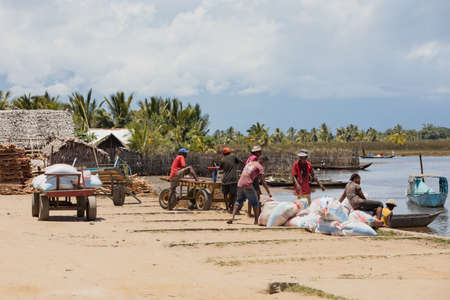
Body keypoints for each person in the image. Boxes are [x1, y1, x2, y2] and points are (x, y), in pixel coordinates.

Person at [227, 156, 272, 225]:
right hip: (248, 185)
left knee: (238, 201)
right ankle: (256, 221)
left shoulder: (250, 163)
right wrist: (268, 192)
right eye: (265, 162)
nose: (264, 164)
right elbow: (263, 181)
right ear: (263, 161)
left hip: (240, 184)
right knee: (255, 203)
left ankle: (232, 217)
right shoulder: (260, 167)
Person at [219, 147, 244, 212]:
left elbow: (220, 168)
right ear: (229, 152)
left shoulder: (222, 159)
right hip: (233, 178)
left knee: (225, 194)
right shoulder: (233, 156)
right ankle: (232, 206)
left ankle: (227, 207)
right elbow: (241, 162)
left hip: (225, 179)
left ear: (223, 153)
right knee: (233, 194)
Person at [245, 145, 262, 217]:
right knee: (257, 195)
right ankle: (257, 213)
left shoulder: (249, 158)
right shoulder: (254, 158)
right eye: (259, 151)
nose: (261, 152)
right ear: (256, 152)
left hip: (248, 177)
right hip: (253, 178)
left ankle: (249, 213)